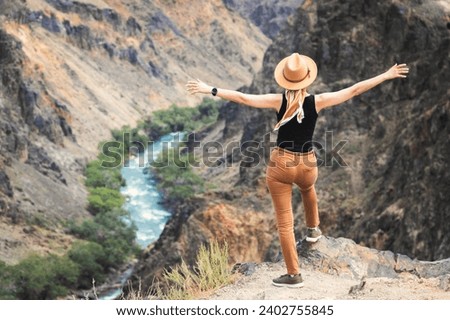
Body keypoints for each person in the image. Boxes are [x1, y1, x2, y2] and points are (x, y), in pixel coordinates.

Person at [186, 53, 409, 288]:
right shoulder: (318, 101)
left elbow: (242, 97)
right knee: (308, 187)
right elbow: (354, 90)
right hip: (307, 164)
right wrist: (386, 75)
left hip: (281, 165)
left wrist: (209, 89)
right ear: (308, 79)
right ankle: (313, 230)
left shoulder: (277, 100)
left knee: (285, 224)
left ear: (284, 80)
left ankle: (294, 275)